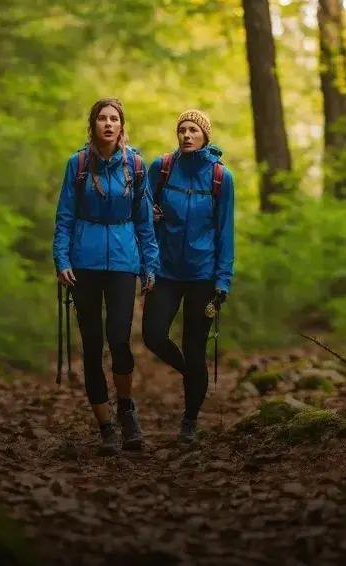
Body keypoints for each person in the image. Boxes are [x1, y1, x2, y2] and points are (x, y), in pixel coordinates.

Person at [53, 97, 159, 455]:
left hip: (123, 263)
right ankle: (105, 426)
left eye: (114, 119)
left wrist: (150, 264)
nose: (108, 124)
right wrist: (61, 258)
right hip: (83, 262)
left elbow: (144, 221)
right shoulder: (78, 164)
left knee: (118, 340)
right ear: (93, 125)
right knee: (92, 345)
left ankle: (126, 409)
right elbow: (65, 215)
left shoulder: (136, 166)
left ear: (122, 126)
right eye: (102, 118)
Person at [142, 109, 235, 444]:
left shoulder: (221, 177)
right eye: (181, 129)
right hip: (164, 271)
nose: (186, 134)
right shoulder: (162, 168)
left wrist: (223, 280)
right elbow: (140, 214)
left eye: (193, 129)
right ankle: (192, 375)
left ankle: (190, 422)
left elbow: (226, 232)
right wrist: (148, 218)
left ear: (205, 136)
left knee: (195, 349)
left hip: (203, 275)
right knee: (153, 335)